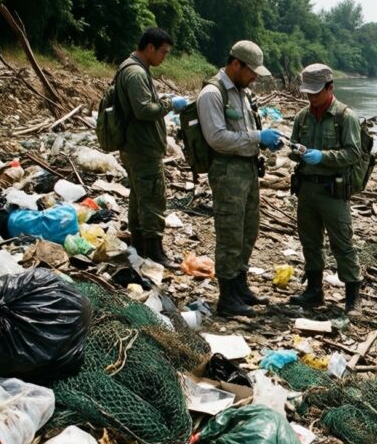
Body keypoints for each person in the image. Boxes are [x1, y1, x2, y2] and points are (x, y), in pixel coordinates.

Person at [198, 40, 283, 317]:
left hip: (247, 168)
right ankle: (227, 298)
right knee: (230, 233)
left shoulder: (243, 93)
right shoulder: (213, 93)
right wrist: (258, 137)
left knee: (248, 230)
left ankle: (240, 286)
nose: (255, 77)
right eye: (251, 71)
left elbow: (245, 130)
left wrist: (264, 141)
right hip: (227, 171)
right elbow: (216, 137)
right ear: (236, 64)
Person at [288, 63, 363, 313]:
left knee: (342, 243)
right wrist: (294, 151)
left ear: (330, 88)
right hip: (307, 189)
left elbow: (353, 153)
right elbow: (293, 146)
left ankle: (352, 297)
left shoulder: (345, 117)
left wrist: (323, 156)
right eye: (308, 92)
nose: (311, 97)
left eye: (316, 92)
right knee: (310, 241)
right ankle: (314, 291)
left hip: (333, 191)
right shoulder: (302, 117)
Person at [116, 27, 187, 269]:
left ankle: (139, 248)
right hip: (142, 149)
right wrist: (170, 104)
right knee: (153, 199)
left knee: (139, 198)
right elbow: (143, 110)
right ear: (150, 48)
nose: (164, 57)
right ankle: (156, 253)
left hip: (136, 147)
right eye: (163, 52)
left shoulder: (133, 68)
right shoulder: (136, 72)